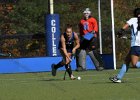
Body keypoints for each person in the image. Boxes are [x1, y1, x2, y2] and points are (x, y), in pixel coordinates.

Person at [109, 8, 140, 83]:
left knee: (135, 64)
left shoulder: (133, 19)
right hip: (137, 45)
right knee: (127, 60)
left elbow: (123, 28)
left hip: (136, 45)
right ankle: (118, 78)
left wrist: (119, 33)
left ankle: (118, 78)